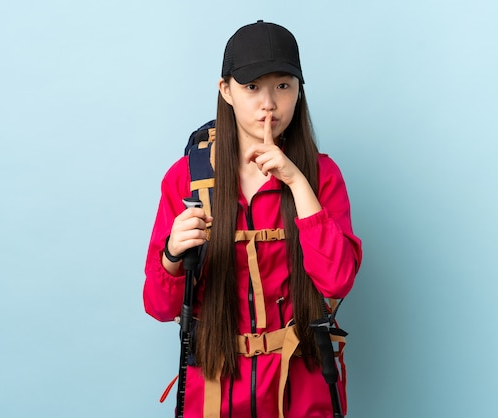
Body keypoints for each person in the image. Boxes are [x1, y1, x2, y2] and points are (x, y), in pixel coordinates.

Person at [143, 20, 362, 418]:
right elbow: (159, 307)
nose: (268, 104)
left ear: (299, 91)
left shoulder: (321, 175)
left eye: (283, 86)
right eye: (252, 87)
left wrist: (296, 181)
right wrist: (172, 254)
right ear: (225, 90)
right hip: (216, 382)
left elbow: (338, 279)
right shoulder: (187, 180)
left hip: (303, 380)